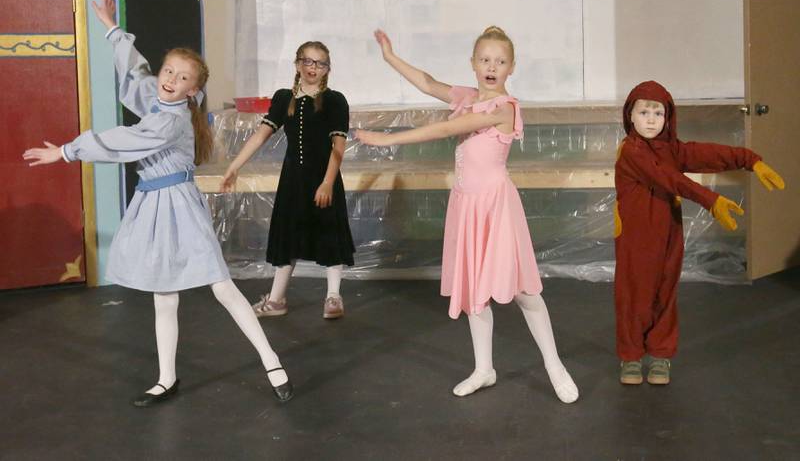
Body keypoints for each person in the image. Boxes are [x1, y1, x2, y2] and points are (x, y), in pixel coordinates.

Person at [23, 0, 292, 406]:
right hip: (152, 203)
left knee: (222, 287)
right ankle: (167, 377)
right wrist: (112, 28)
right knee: (164, 294)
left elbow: (124, 140)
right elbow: (136, 75)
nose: (171, 79)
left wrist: (66, 151)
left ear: (194, 90)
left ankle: (272, 362)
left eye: (183, 78)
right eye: (169, 71)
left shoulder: (171, 119)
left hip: (179, 204)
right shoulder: (158, 95)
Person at [357, 27, 579, 403]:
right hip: (467, 205)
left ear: (512, 68)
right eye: (485, 59)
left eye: (501, 61)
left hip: (495, 206)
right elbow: (427, 83)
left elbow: (447, 127)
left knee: (524, 291)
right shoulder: (467, 96)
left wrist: (387, 140)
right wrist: (390, 57)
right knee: (476, 291)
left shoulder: (504, 108)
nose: (492, 66)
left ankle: (554, 365)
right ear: (474, 64)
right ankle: (483, 368)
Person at [614, 80, 785, 385]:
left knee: (665, 294)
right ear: (630, 116)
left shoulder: (672, 149)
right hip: (635, 241)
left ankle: (660, 356)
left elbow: (707, 153)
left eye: (658, 113)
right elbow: (668, 178)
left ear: (668, 118)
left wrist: (750, 160)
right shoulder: (631, 151)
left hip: (670, 236)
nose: (651, 119)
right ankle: (630, 356)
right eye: (644, 112)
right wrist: (711, 200)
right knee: (635, 297)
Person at [220, 41, 355, 320]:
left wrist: (328, 182)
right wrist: (234, 167)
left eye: (319, 63)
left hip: (323, 179)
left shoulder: (335, 100)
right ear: (297, 64)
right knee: (289, 238)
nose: (312, 68)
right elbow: (260, 135)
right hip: (293, 181)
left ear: (327, 69)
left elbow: (338, 147)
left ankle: (333, 296)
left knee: (329, 232)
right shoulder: (284, 99)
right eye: (307, 61)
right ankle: (277, 299)